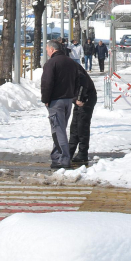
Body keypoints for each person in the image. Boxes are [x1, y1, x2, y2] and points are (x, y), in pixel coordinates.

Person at [41, 40, 80, 170]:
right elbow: (77, 80)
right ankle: (56, 156)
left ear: (52, 49)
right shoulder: (70, 62)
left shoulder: (51, 63)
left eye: (47, 49)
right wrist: (73, 96)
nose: (46, 51)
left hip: (56, 101)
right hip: (68, 100)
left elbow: (47, 82)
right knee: (59, 129)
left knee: (58, 131)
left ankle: (63, 159)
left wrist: (45, 99)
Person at [69, 62, 98, 167]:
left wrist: (80, 98)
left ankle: (82, 153)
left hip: (86, 99)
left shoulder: (71, 67)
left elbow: (82, 81)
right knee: (75, 125)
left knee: (82, 126)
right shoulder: (67, 66)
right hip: (79, 99)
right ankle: (70, 151)